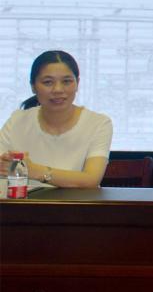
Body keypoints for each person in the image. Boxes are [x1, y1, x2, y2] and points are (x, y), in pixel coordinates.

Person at [0, 50, 112, 188]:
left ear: (77, 83)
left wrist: (33, 170)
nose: (58, 89)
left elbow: (91, 180)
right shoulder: (16, 121)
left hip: (76, 202)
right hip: (24, 202)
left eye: (66, 81)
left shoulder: (98, 124)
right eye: (48, 82)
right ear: (33, 86)